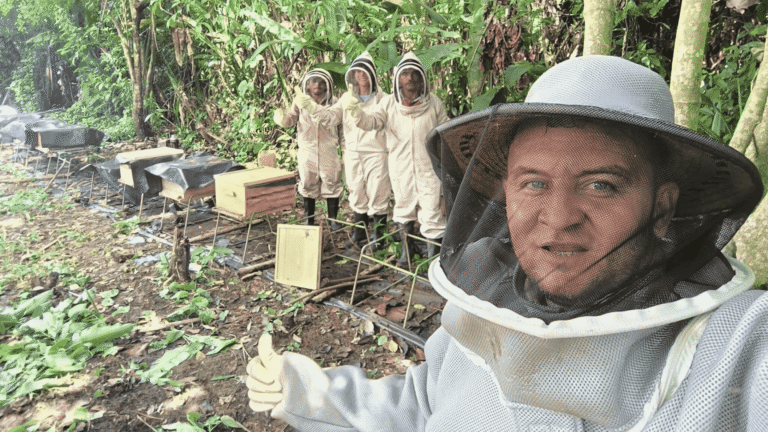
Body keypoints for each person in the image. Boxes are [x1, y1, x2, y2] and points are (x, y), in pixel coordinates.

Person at [248, 56, 768, 431]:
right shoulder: (482, 313)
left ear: (662, 208)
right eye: (533, 183)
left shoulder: (740, 345)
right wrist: (307, 392)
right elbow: (420, 407)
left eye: (601, 184)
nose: (559, 219)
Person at [341, 52, 449, 265]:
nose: (410, 79)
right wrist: (356, 112)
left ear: (422, 78)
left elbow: (445, 132)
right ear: (398, 78)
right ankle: (406, 254)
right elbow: (370, 123)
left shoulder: (434, 104)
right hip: (400, 167)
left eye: (414, 74)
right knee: (403, 206)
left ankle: (435, 261)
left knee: (432, 209)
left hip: (429, 166)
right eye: (405, 74)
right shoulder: (389, 105)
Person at [315, 53, 391, 251]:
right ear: (353, 75)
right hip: (352, 152)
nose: (361, 75)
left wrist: (359, 113)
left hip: (376, 152)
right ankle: (359, 234)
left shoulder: (385, 100)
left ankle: (379, 236)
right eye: (357, 71)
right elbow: (332, 117)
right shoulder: (346, 98)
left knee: (378, 193)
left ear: (372, 74)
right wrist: (313, 108)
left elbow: (375, 122)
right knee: (356, 191)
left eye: (365, 71)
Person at [274, 68, 343, 230]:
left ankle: (332, 220)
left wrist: (345, 148)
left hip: (329, 149)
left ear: (327, 84)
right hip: (307, 149)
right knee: (307, 182)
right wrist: (282, 118)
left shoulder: (335, 103)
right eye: (313, 82)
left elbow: (341, 128)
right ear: (307, 84)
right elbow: (291, 119)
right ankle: (309, 219)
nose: (316, 85)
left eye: (320, 82)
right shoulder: (300, 101)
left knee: (332, 181)